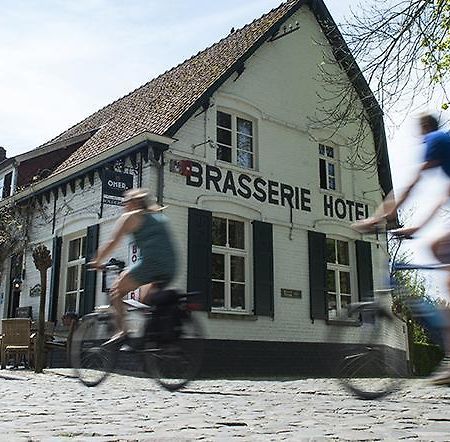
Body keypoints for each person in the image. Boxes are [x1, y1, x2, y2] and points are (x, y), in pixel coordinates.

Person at [354, 113, 450, 384]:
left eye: (419, 130)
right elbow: (444, 195)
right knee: (437, 248)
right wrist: (416, 228)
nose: (419, 136)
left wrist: (380, 217)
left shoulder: (435, 139)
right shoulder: (446, 147)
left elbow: (412, 185)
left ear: (425, 128)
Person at [90, 188, 178, 343]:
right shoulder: (159, 217)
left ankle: (123, 331)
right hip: (170, 267)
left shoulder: (130, 217)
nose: (124, 206)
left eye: (126, 202)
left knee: (116, 291)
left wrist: (97, 261)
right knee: (145, 302)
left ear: (134, 202)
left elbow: (112, 243)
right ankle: (151, 342)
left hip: (150, 264)